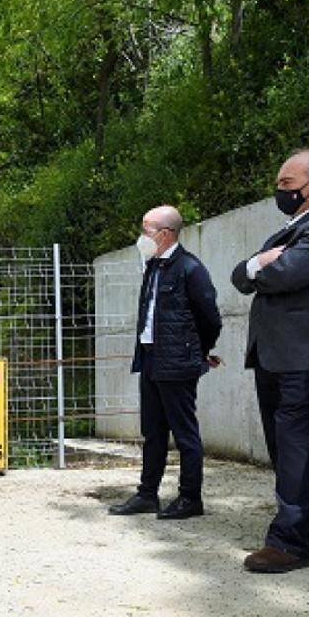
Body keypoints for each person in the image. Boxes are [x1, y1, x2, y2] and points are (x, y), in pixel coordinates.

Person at [231, 148, 309, 573]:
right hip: (277, 352)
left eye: (286, 184)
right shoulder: (291, 228)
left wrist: (264, 268)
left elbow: (288, 274)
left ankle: (289, 542)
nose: (279, 191)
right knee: (293, 443)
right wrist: (257, 262)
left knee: (294, 440)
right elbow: (241, 278)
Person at [108, 206, 222, 520]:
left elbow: (210, 317)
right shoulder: (153, 267)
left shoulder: (189, 268)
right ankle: (148, 495)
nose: (141, 237)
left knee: (185, 433)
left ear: (166, 233)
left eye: (147, 230)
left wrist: (198, 351)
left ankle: (190, 498)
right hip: (150, 358)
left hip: (177, 361)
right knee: (153, 432)